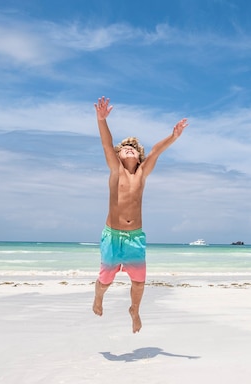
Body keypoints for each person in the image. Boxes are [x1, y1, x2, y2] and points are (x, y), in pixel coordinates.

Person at [92, 96, 188, 333]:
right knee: (105, 279)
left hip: (135, 237)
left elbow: (156, 151)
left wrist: (173, 136)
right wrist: (101, 120)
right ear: (119, 155)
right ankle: (98, 298)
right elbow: (107, 144)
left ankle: (134, 309)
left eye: (132, 147)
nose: (128, 148)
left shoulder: (142, 174)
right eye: (124, 147)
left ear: (138, 155)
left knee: (139, 281)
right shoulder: (116, 171)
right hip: (113, 236)